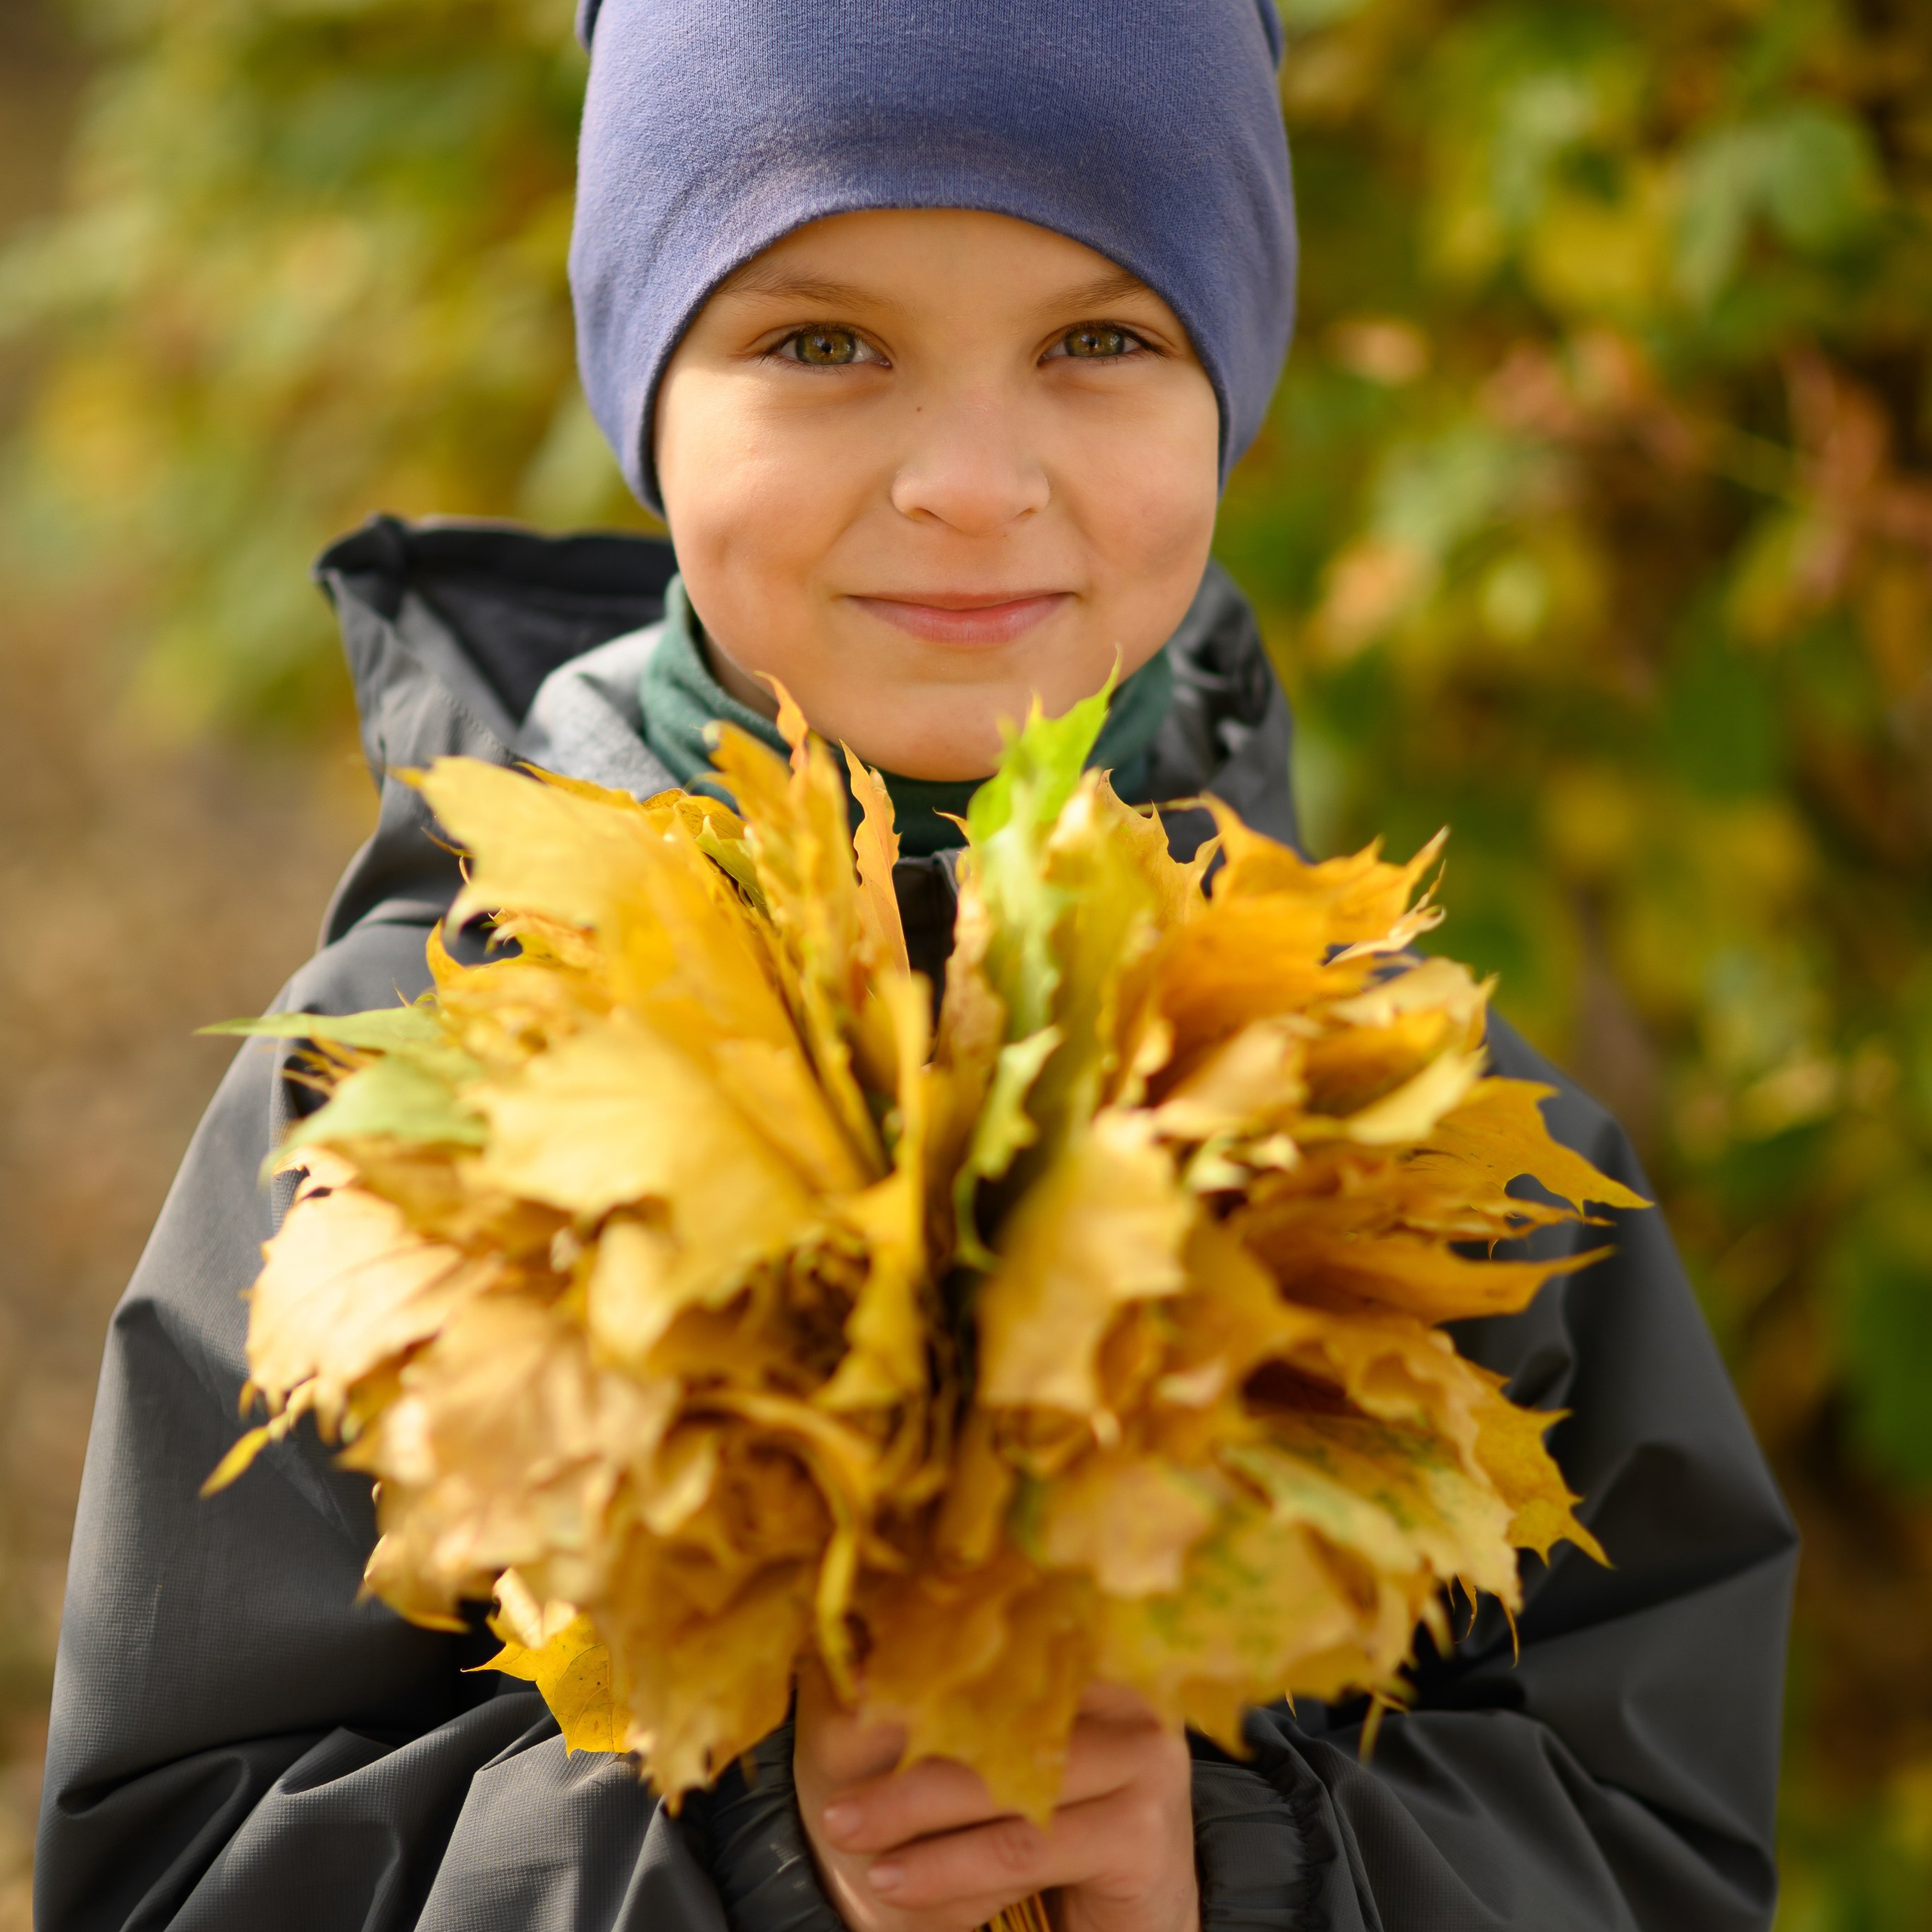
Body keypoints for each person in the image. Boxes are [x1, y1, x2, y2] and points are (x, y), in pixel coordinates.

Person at [34, 2, 1797, 1928]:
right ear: (647, 391)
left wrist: (1245, 1863)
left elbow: (1654, 1834)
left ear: (1230, 390)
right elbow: (177, 1863)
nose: (969, 477)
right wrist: (738, 1852)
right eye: (819, 343)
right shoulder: (389, 1105)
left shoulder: (1415, 1116)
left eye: (1100, 341)